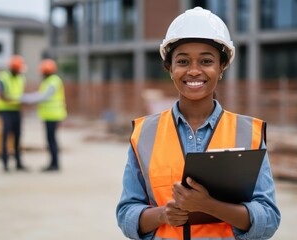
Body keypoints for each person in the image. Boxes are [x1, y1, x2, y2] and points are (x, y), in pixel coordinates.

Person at [116, 7, 280, 240]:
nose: (194, 71)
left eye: (206, 61)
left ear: (221, 67)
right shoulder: (144, 134)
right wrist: (164, 214)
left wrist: (210, 206)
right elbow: (126, 213)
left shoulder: (248, 134)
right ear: (169, 68)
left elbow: (269, 218)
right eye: (183, 61)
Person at [20, 59, 67, 172]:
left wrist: (26, 98)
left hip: (53, 115)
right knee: (50, 140)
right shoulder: (48, 81)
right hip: (49, 115)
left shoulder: (53, 81)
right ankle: (52, 163)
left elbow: (43, 96)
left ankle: (54, 164)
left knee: (51, 140)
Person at [0, 55, 28, 172]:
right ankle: (5, 163)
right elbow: (1, 95)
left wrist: (23, 101)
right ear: (14, 68)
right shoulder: (3, 77)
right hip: (6, 111)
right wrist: (16, 100)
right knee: (6, 136)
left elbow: (22, 93)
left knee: (18, 137)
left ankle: (18, 163)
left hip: (16, 111)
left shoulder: (21, 78)